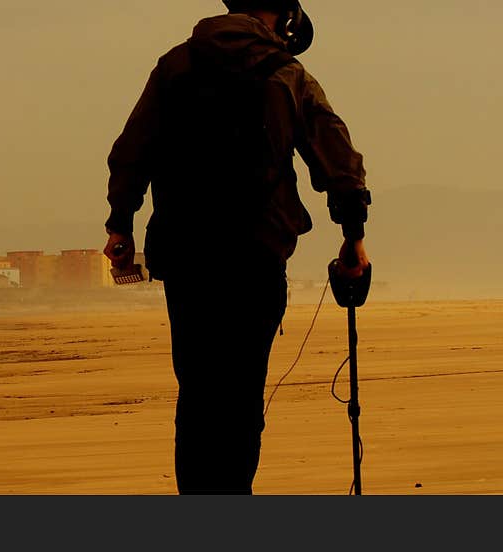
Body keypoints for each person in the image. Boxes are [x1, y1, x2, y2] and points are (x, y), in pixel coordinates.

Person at [102, 0, 372, 494]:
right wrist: (352, 236)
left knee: (199, 390)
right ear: (281, 18)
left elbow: (132, 150)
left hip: (187, 258)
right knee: (242, 390)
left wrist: (121, 225)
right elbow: (336, 157)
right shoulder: (288, 74)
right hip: (257, 254)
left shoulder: (175, 65)